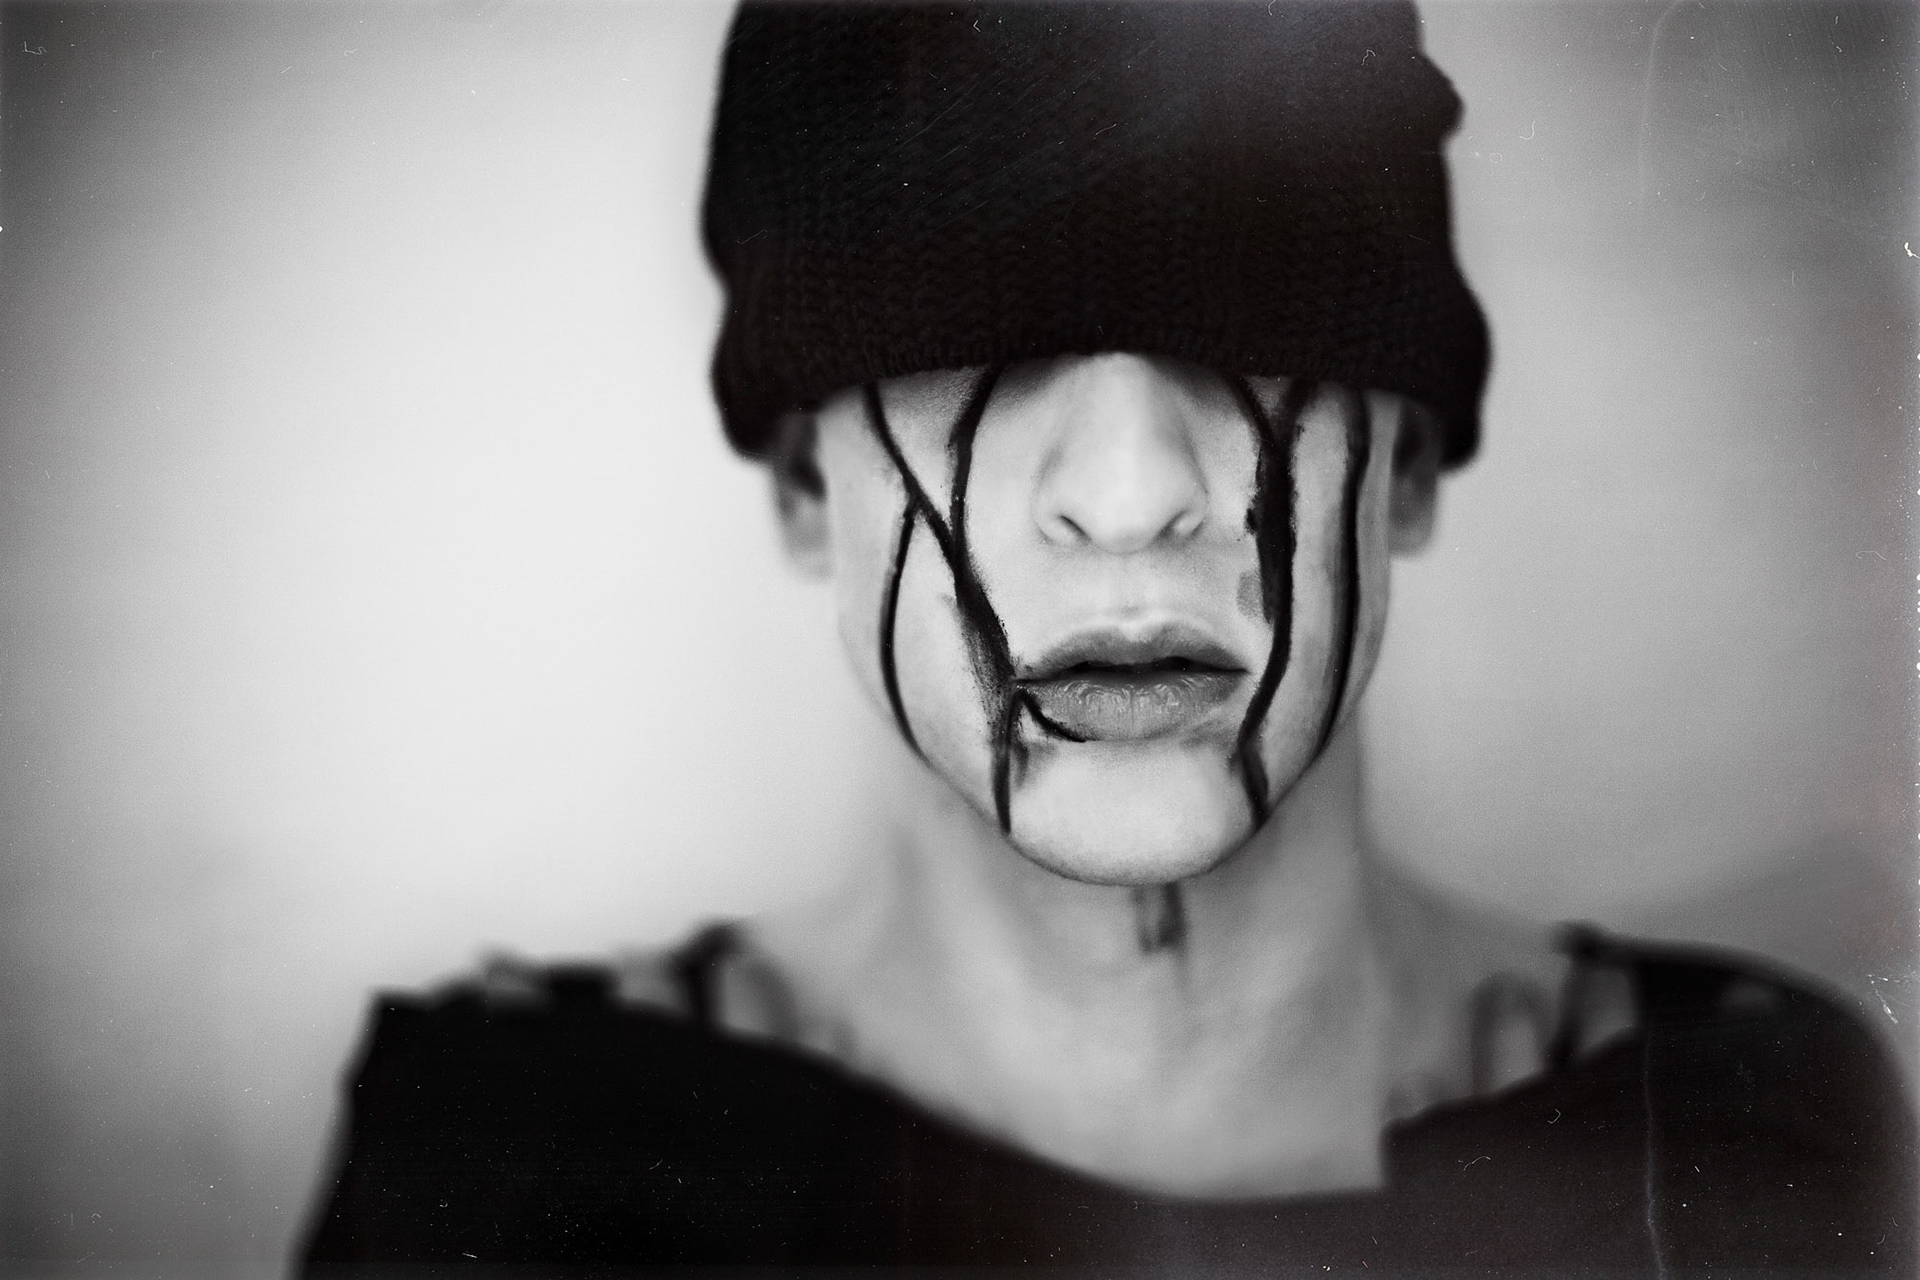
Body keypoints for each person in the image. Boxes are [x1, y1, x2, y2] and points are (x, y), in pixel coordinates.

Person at [300, 2, 1913, 1273]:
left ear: (1409, 467)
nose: (1131, 495)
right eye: (967, 343)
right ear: (803, 489)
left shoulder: (1737, 1133)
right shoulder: (510, 1171)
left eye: (1259, 321)